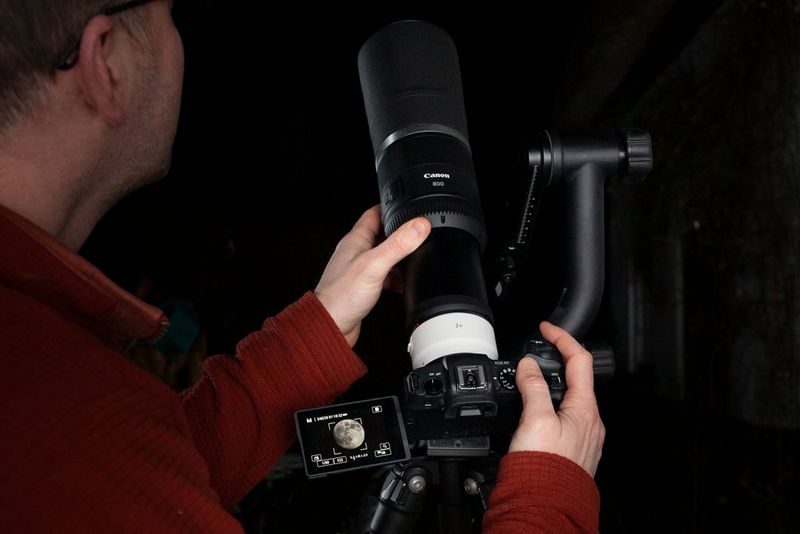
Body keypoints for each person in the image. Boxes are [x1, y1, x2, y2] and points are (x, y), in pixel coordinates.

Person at [0, 1, 605, 532]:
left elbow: (154, 463)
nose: (179, 39)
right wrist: (547, 497)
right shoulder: (58, 410)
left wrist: (311, 337)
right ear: (103, 58)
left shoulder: (46, 379)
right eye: (171, 13)